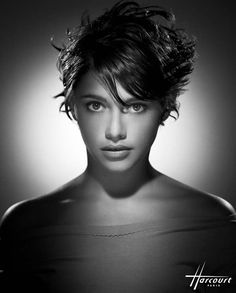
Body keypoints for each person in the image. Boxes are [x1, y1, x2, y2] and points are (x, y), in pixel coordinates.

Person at [0, 1, 235, 292]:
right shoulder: (25, 225)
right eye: (96, 105)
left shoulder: (212, 220)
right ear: (72, 106)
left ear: (165, 107)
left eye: (135, 107)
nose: (114, 132)